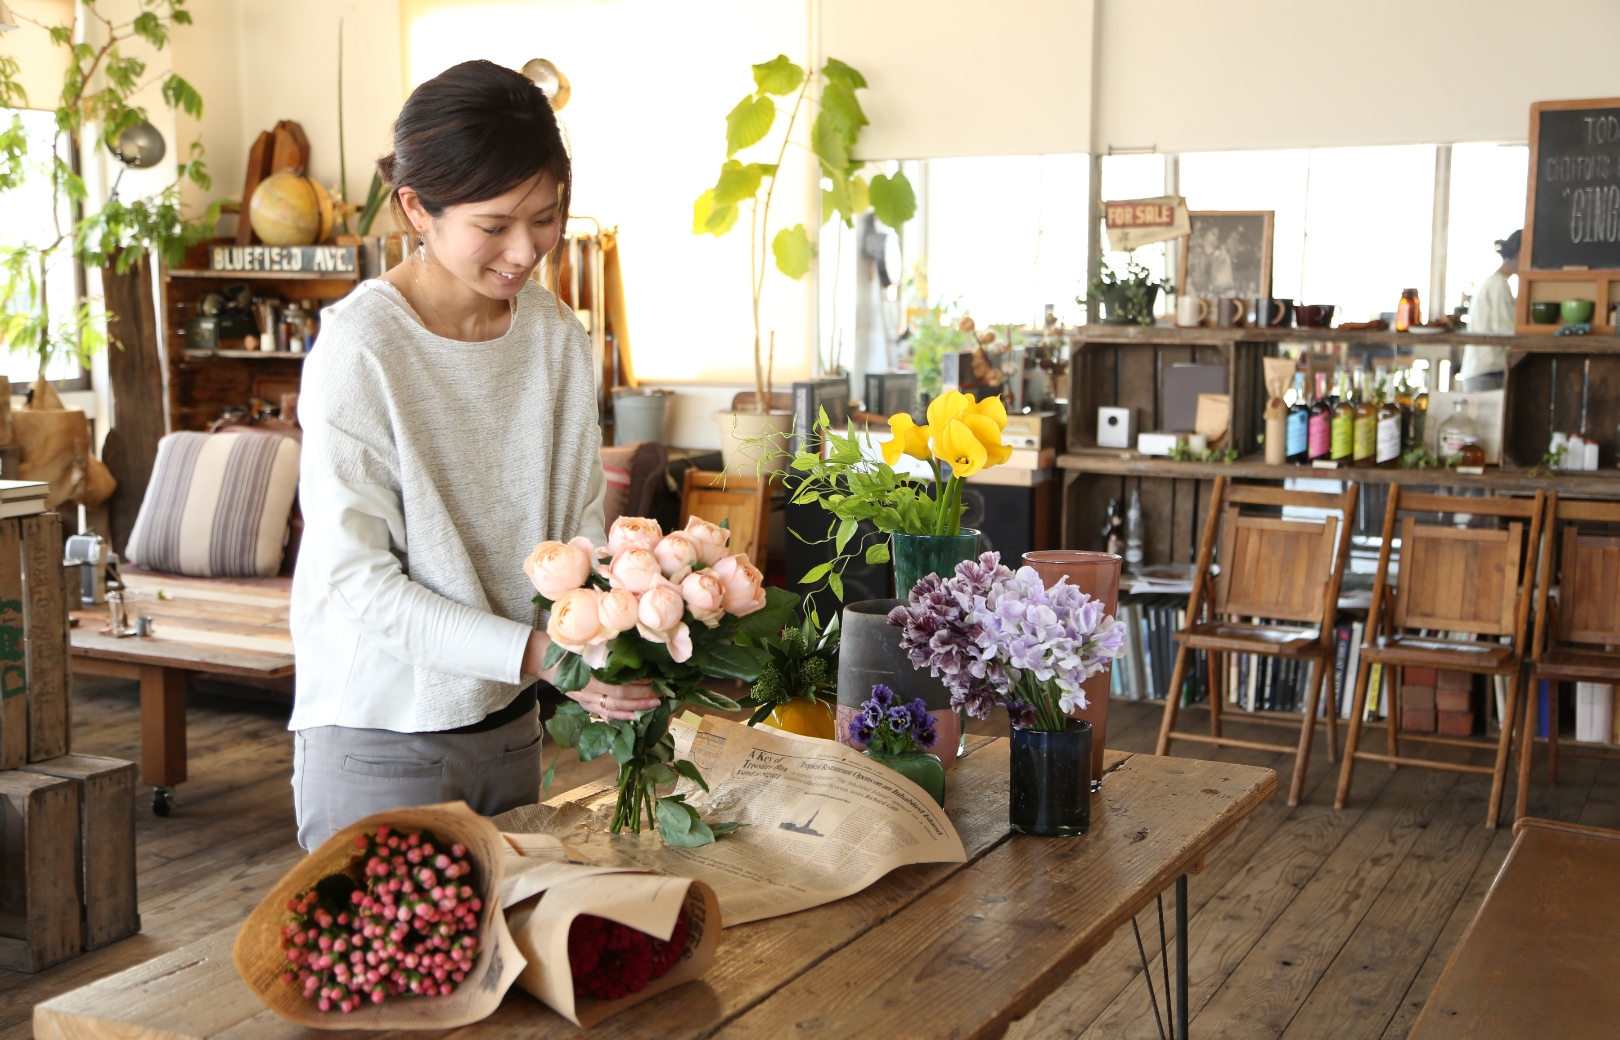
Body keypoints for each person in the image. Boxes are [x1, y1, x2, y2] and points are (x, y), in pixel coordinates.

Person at [288, 60, 659, 851]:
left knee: (513, 969)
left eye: (547, 218)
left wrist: (619, 630)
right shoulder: (361, 351)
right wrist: (543, 657)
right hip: (380, 737)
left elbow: (578, 531)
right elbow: (360, 584)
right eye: (493, 226)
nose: (524, 252)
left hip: (512, 726)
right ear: (416, 208)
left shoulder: (556, 336)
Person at [1460, 229, 1519, 390]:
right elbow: (1507, 329)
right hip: (1487, 374)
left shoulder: (1494, 283)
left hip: (1483, 372)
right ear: (1521, 254)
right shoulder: (1499, 285)